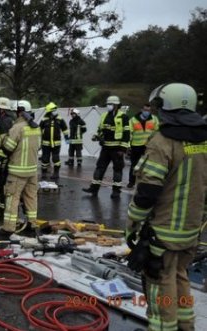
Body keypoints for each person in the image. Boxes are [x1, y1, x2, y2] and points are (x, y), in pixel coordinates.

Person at [126, 83, 207, 331]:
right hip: (192, 232)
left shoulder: (162, 142)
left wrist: (132, 224)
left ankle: (164, 327)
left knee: (159, 283)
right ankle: (186, 325)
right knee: (179, 274)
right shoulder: (204, 141)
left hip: (163, 232)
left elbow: (147, 194)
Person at [0, 100, 41, 236]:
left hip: (17, 171)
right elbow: (38, 146)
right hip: (32, 170)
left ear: (19, 112)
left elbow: (8, 147)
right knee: (31, 197)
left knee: (12, 198)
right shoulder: (36, 127)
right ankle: (32, 224)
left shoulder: (17, 128)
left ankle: (8, 227)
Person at [82, 96, 130, 198]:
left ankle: (116, 191)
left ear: (116, 105)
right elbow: (100, 129)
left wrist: (123, 149)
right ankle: (94, 189)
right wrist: (96, 136)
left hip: (117, 149)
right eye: (108, 104)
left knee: (117, 169)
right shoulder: (104, 115)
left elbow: (127, 133)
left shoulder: (123, 117)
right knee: (100, 168)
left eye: (111, 104)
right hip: (105, 148)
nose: (108, 106)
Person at [0, 97, 16, 221]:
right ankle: (2, 210)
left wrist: (0, 159)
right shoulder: (11, 120)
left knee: (2, 185)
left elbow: (3, 142)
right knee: (4, 186)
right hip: (9, 159)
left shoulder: (4, 122)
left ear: (1, 110)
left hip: (4, 159)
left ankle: (2, 211)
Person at [127, 103, 159, 188]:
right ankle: (131, 182)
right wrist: (128, 145)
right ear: (141, 110)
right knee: (134, 165)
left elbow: (157, 132)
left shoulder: (154, 119)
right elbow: (129, 132)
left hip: (149, 147)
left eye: (148, 110)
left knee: (148, 165)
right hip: (136, 146)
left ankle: (144, 182)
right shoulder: (133, 120)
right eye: (145, 110)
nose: (147, 112)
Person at [39, 102, 69, 180]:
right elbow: (39, 129)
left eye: (55, 109)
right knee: (45, 159)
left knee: (56, 159)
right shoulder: (44, 119)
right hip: (45, 144)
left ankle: (56, 173)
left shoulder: (60, 119)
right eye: (53, 110)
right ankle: (44, 173)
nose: (55, 111)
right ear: (49, 112)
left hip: (56, 144)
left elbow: (65, 129)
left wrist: (67, 138)